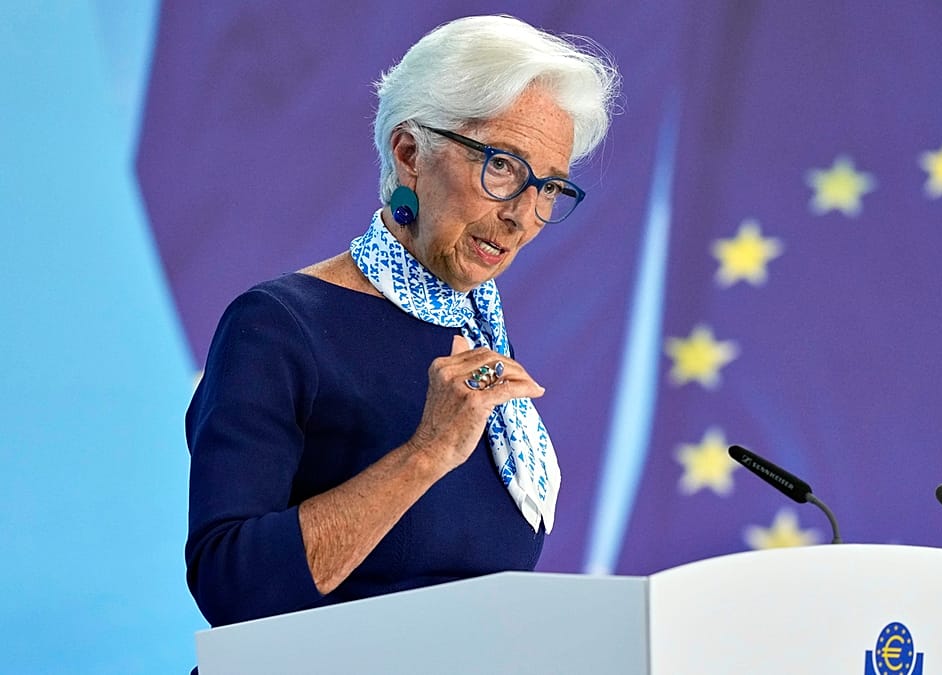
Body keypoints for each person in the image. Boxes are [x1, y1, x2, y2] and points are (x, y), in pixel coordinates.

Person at [184, 14, 620, 628]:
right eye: (503, 166)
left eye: (549, 187)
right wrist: (427, 452)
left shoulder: (477, 334)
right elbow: (230, 588)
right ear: (410, 153)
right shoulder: (278, 326)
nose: (523, 215)